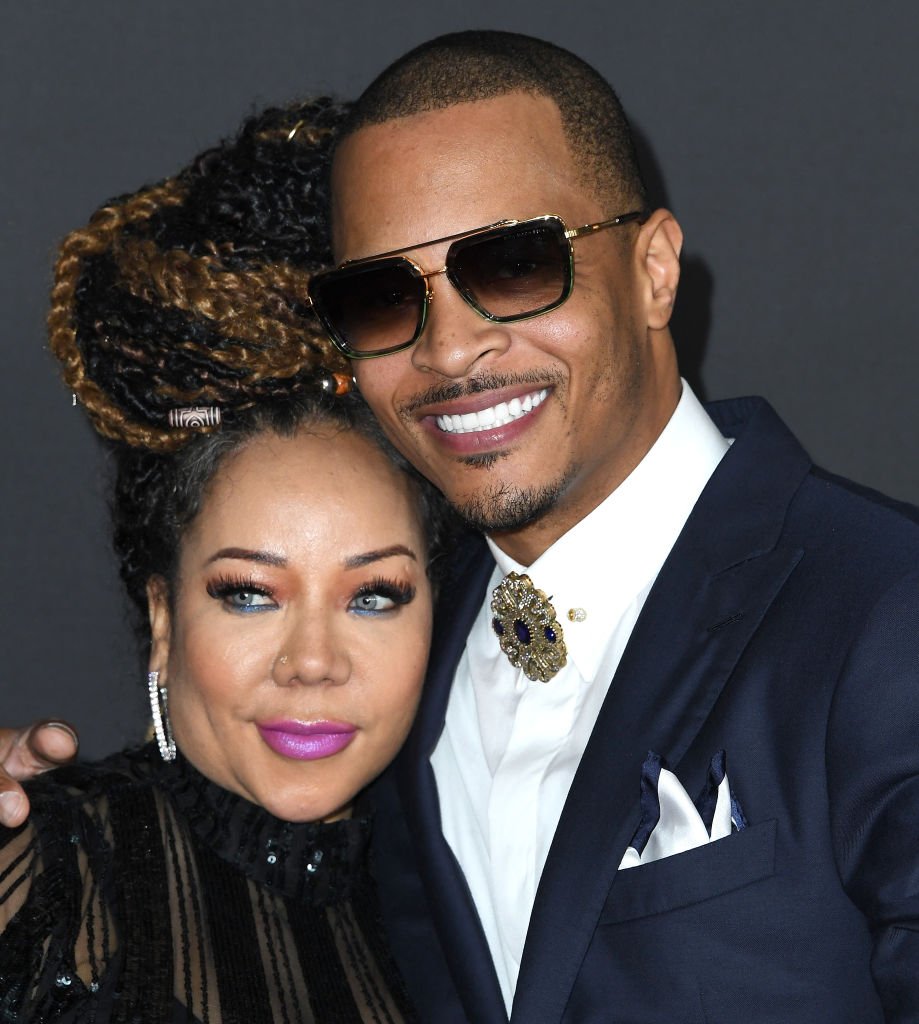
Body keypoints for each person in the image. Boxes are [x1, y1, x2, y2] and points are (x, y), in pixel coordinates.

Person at [5, 30, 919, 1023]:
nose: (450, 350)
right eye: (383, 295)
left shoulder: (884, 611)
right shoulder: (410, 672)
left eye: (517, 264)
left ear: (656, 269)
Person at [0, 97, 450, 1022]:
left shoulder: (478, 908)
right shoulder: (53, 871)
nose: (313, 662)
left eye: (374, 597)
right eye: (250, 593)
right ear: (163, 619)